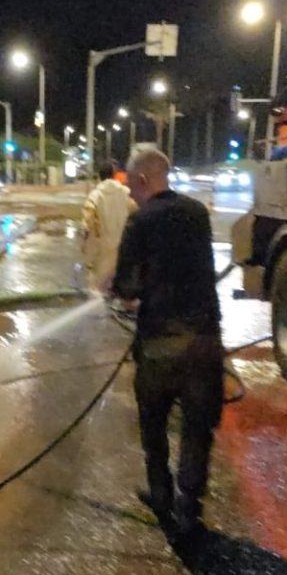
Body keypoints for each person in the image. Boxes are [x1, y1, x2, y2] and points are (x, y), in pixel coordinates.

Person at [112, 144, 223, 536]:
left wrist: (122, 292)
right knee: (197, 428)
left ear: (143, 179)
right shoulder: (197, 213)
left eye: (131, 185)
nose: (130, 193)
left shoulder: (140, 220)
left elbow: (126, 288)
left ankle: (161, 494)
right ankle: (189, 508)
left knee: (154, 424)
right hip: (204, 341)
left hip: (160, 344)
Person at [81, 161, 132, 292]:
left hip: (101, 250)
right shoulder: (126, 193)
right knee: (120, 287)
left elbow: (87, 222)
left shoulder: (95, 196)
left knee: (98, 287)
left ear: (99, 176)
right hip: (123, 248)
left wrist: (84, 242)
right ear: (114, 174)